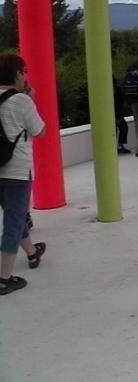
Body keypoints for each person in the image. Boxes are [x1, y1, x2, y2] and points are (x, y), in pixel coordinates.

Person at [0, 54, 46, 295]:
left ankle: (32, 252)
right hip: (17, 171)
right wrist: (31, 100)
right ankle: (4, 278)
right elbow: (39, 130)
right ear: (16, 73)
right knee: (13, 221)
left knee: (14, 216)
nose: (25, 75)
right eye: (23, 71)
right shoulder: (21, 100)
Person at [113, 75, 130, 154]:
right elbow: (120, 102)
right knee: (123, 128)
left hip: (116, 112)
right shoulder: (118, 89)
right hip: (117, 112)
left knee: (122, 128)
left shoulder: (116, 89)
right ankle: (119, 145)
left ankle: (118, 145)